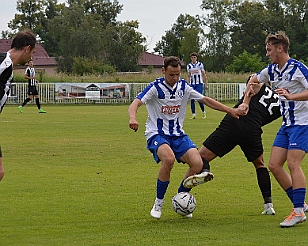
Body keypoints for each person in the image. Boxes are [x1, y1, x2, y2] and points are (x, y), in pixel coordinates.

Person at [128, 56, 245, 219]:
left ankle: (181, 197)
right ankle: (158, 203)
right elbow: (135, 103)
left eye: (177, 74)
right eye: (171, 75)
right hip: (157, 133)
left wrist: (230, 110)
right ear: (163, 71)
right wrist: (133, 118)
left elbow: (205, 100)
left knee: (197, 164)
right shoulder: (155, 88)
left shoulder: (184, 87)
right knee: (168, 160)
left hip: (178, 134)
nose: (175, 78)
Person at [183, 75, 281, 215]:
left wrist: (246, 102)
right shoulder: (284, 101)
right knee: (260, 165)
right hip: (252, 130)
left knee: (200, 158)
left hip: (234, 121)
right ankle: (268, 205)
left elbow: (253, 80)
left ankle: (190, 187)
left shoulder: (262, 85)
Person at [249, 31, 308, 228]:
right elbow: (254, 78)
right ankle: (301, 205)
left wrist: (293, 97)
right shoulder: (272, 70)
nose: (267, 54)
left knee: (293, 163)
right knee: (274, 165)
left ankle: (298, 211)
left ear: (280, 48)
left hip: (302, 123)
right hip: (287, 125)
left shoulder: (298, 69)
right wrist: (249, 96)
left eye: (269, 50)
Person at [0, 29, 37, 181]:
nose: (31, 56)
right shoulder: (4, 62)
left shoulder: (8, 68)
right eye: (32, 52)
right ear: (27, 48)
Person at [187, 52, 208, 119]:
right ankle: (193, 114)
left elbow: (204, 74)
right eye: (192, 57)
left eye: (194, 57)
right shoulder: (189, 66)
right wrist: (188, 84)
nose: (193, 59)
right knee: (192, 99)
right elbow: (188, 76)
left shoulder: (200, 65)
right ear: (191, 58)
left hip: (199, 84)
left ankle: (203, 112)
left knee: (199, 98)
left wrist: (206, 84)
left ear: (196, 58)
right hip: (192, 84)